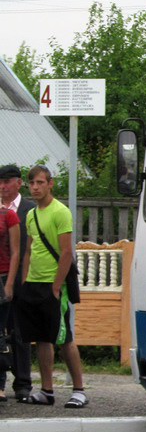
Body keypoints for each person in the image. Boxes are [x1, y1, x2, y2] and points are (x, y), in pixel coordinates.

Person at [15, 164, 86, 408]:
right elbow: (28, 250)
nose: (35, 188)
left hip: (54, 284)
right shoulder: (31, 214)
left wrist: (56, 286)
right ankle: (47, 390)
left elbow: (66, 252)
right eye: (31, 183)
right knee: (41, 338)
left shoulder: (60, 211)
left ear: (50, 184)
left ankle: (79, 390)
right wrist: (24, 281)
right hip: (33, 283)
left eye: (40, 183)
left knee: (64, 337)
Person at [0, 163, 34, 402]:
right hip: (2, 277)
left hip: (24, 278)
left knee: (21, 333)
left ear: (18, 183)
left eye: (7, 182)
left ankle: (22, 384)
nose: (3, 187)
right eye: (0, 183)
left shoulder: (29, 209)